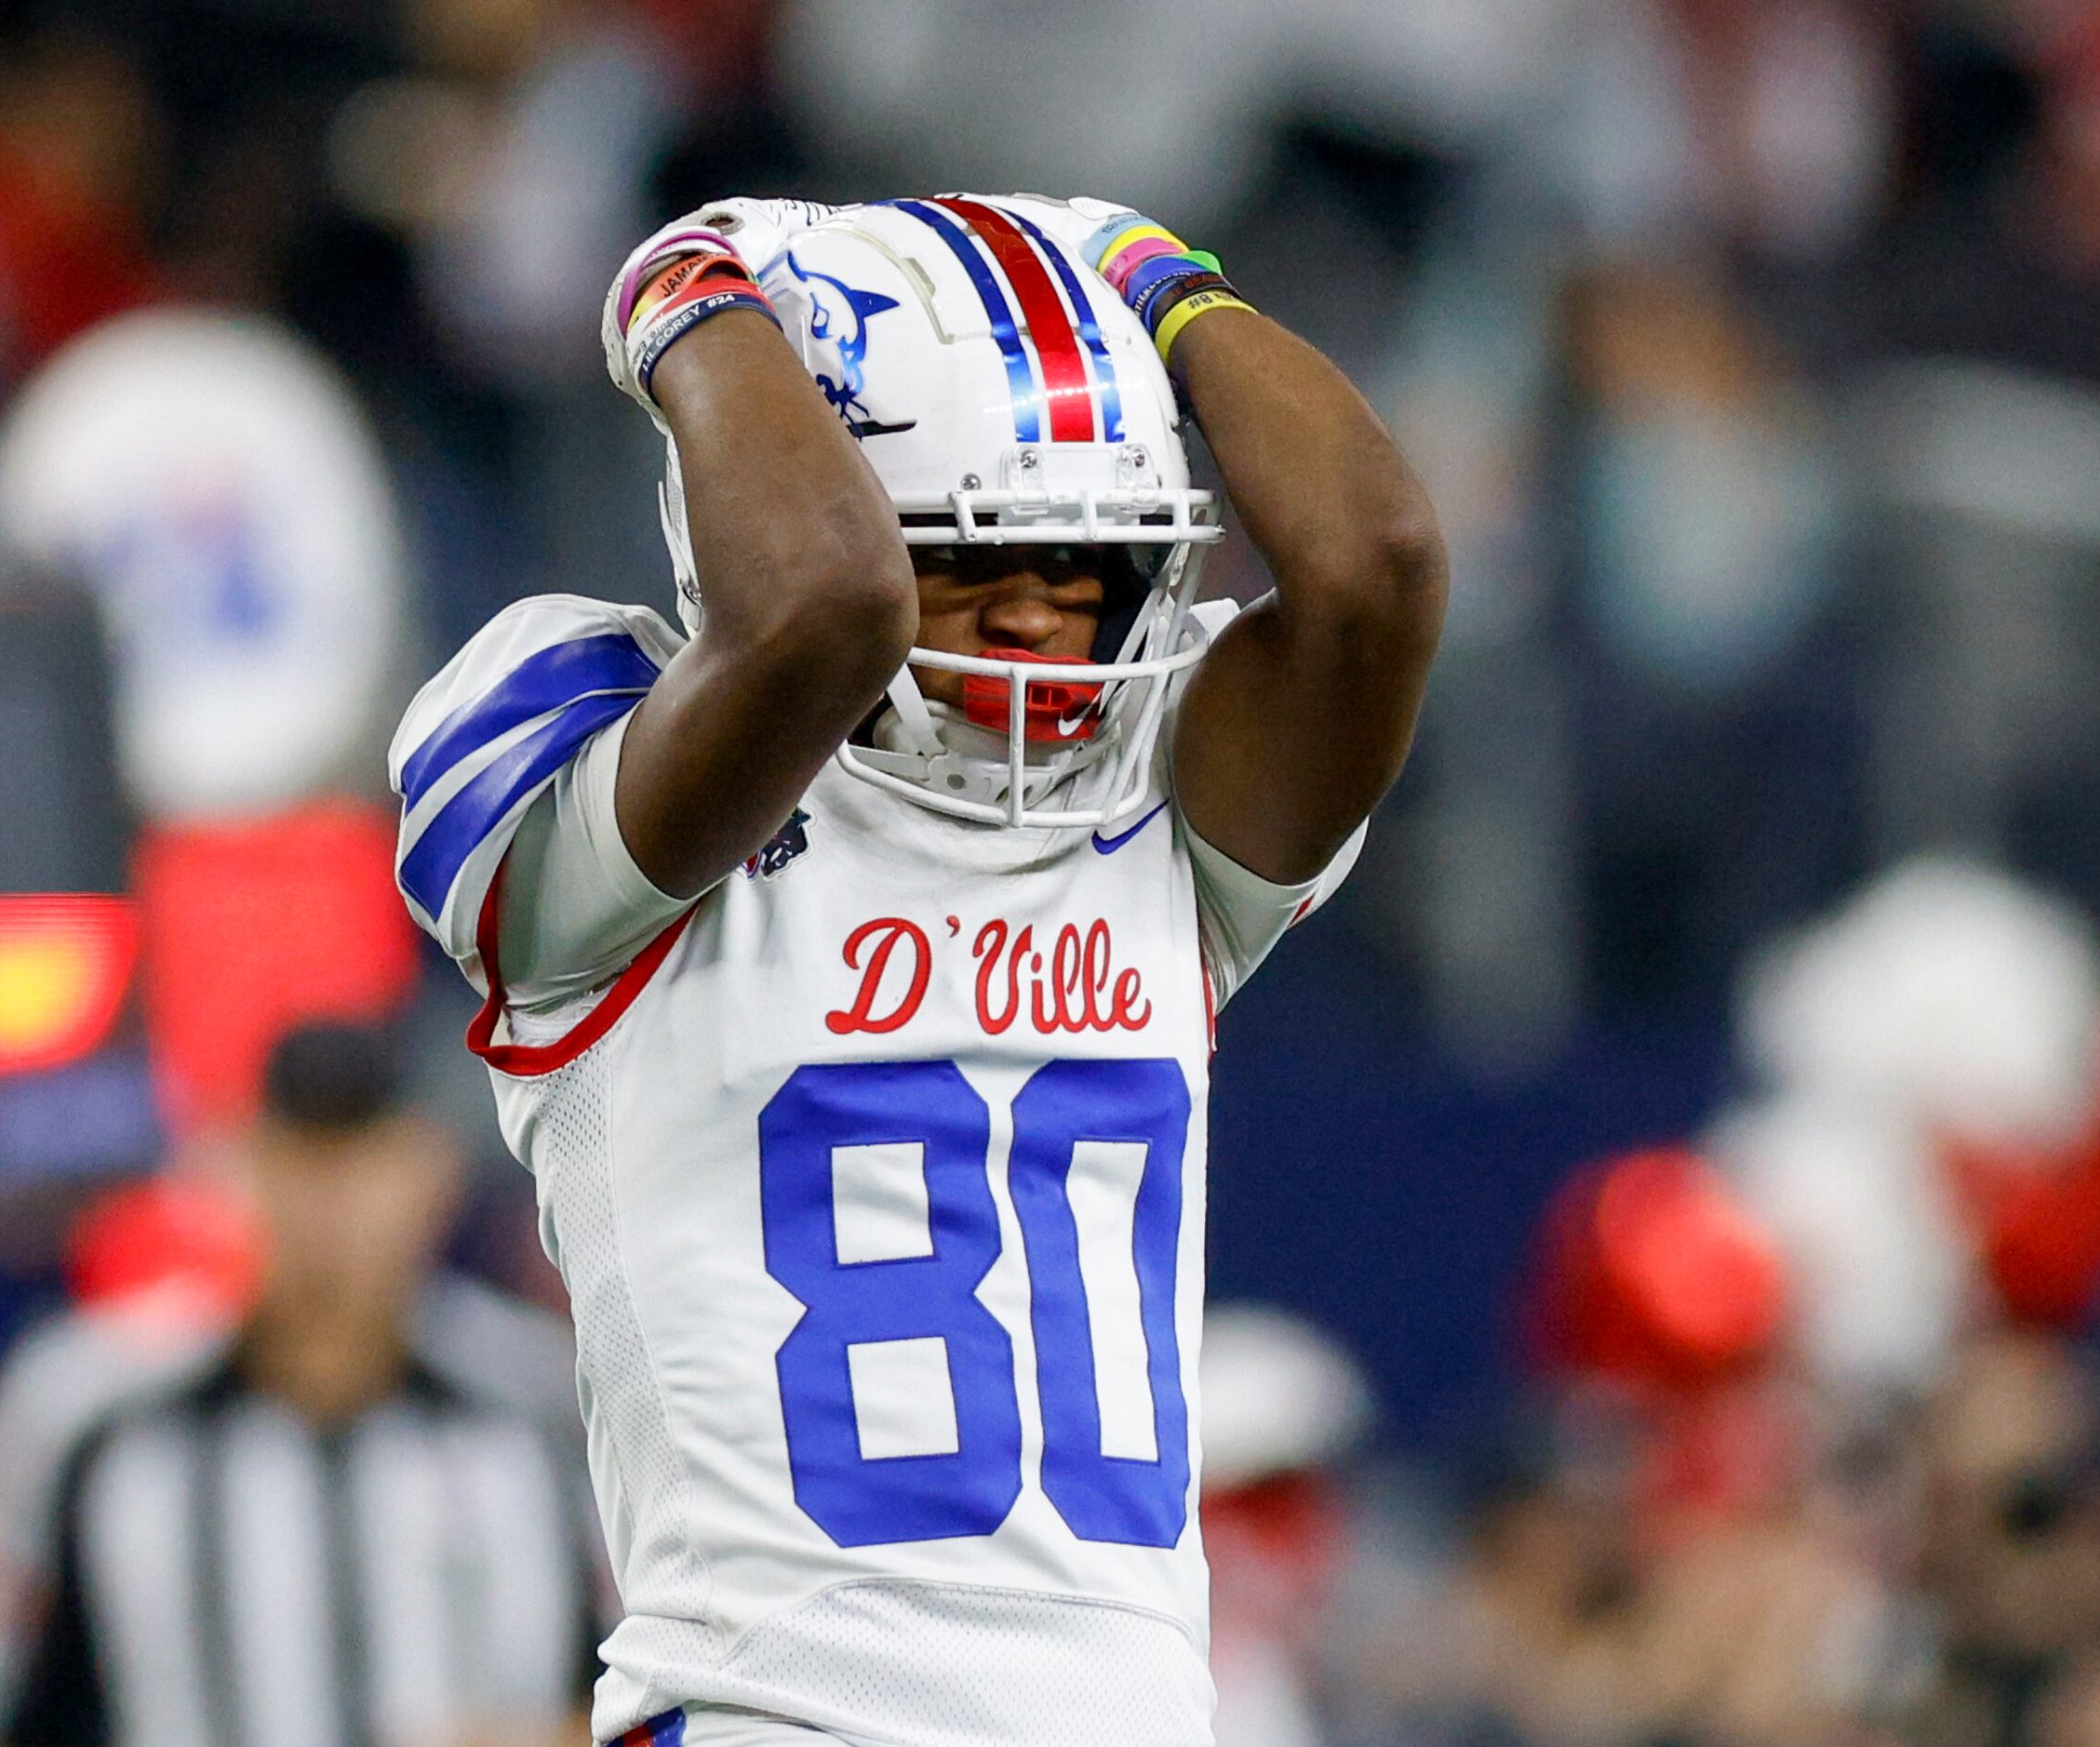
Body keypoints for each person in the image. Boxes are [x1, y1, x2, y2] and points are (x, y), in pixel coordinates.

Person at [386, 192, 1445, 1746]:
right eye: (981, 552)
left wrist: (1163, 285)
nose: (1039, 610)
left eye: (1089, 561)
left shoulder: (1156, 804)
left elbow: (1376, 564)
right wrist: (681, 296)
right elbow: (823, 604)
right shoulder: (612, 797)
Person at [0, 1022, 608, 1747]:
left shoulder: (550, 1404)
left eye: (359, 1162)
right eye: (297, 1161)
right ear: (232, 1165)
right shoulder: (89, 1413)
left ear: (429, 1172)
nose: (330, 1209)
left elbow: (669, 1687)